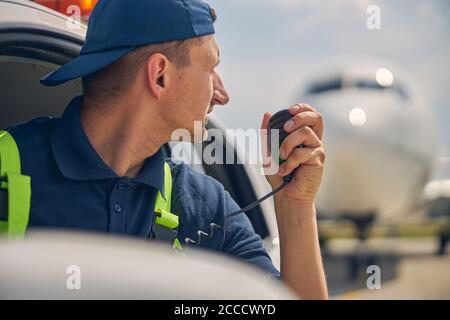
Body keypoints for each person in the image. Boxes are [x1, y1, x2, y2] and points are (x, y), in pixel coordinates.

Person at [0, 0, 327, 299]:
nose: (221, 94)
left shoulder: (205, 205)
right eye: (210, 67)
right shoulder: (6, 167)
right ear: (159, 76)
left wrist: (295, 206)